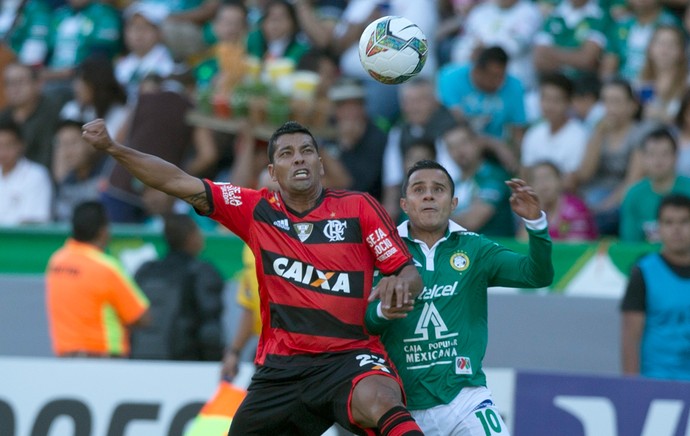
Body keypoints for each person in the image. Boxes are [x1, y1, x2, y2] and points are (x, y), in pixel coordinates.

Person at [81, 118, 425, 435]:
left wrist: (400, 284)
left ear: (321, 165)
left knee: (381, 399)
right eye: (288, 154)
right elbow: (175, 181)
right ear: (273, 172)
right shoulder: (255, 209)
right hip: (282, 369)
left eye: (307, 151)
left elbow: (407, 272)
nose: (300, 159)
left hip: (349, 357)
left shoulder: (359, 207)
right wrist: (114, 148)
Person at [365, 159, 554, 436]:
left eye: (438, 189)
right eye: (419, 189)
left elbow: (537, 276)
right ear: (404, 204)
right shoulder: (380, 251)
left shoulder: (475, 248)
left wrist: (535, 224)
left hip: (465, 400)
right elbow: (362, 323)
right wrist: (383, 312)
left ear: (453, 203)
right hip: (399, 407)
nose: (429, 195)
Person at [45, 201, 150, 357]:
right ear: (103, 231)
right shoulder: (106, 267)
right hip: (103, 357)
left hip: (65, 357)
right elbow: (142, 317)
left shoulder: (56, 261)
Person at [130, 213, 225, 361]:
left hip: (140, 361)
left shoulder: (145, 271)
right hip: (186, 365)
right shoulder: (201, 272)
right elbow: (210, 330)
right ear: (191, 237)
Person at [620, 193, 690, 381]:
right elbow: (630, 338)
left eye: (684, 222)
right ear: (658, 228)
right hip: (657, 383)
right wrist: (632, 389)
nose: (676, 229)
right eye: (668, 222)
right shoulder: (643, 272)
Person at [619, 127, 690, 242]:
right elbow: (630, 243)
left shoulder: (688, 189)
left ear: (676, 157)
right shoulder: (633, 195)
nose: (658, 160)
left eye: (665, 153)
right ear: (643, 158)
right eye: (652, 154)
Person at [0, 116, 52, 225]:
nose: (3, 152)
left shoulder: (37, 175)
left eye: (8, 145)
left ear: (21, 145)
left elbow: (35, 221)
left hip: (21, 240)